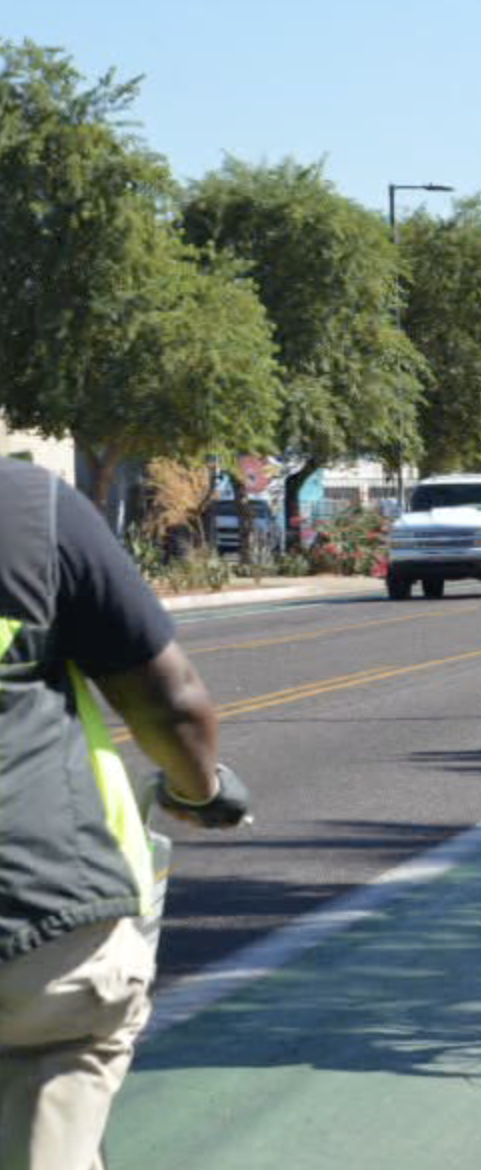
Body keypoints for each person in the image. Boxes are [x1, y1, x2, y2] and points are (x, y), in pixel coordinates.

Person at [0, 460, 251, 1170]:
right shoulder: (27, 508)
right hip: (36, 918)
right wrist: (201, 790)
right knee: (61, 1043)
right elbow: (171, 703)